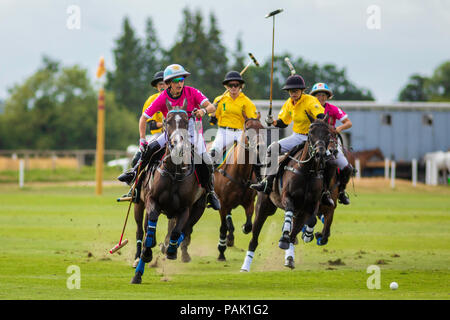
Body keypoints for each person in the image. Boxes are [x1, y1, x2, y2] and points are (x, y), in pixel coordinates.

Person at [119, 64, 221, 210]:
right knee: (149, 150)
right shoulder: (162, 98)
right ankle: (134, 178)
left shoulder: (192, 92)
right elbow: (143, 118)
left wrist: (203, 111)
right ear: (168, 83)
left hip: (192, 131)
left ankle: (210, 192)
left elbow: (212, 107)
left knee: (205, 160)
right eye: (176, 80)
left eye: (182, 79)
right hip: (171, 133)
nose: (180, 83)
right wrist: (142, 140)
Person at [250, 74, 325, 194]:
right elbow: (284, 122)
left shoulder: (311, 101)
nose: (293, 94)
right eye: (290, 91)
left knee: (327, 157)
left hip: (312, 138)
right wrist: (273, 122)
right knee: (272, 148)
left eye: (295, 91)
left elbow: (320, 115)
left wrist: (316, 119)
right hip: (297, 136)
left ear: (302, 90)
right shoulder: (289, 103)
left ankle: (327, 191)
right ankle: (267, 182)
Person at [310, 82, 353, 205]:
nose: (321, 97)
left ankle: (341, 192)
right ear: (314, 96)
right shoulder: (309, 108)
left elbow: (348, 123)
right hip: (314, 141)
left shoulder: (333, 109)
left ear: (327, 96)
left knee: (347, 168)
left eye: (323, 95)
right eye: (318, 95)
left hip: (331, 141)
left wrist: (338, 129)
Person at [209, 71, 258, 165]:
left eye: (236, 85)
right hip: (224, 132)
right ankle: (210, 176)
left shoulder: (246, 101)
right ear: (226, 86)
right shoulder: (219, 100)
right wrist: (214, 112)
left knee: (253, 153)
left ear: (240, 86)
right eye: (230, 85)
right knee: (214, 152)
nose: (233, 87)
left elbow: (252, 120)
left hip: (240, 132)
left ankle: (258, 177)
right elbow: (212, 121)